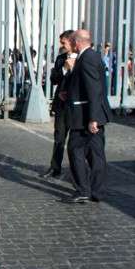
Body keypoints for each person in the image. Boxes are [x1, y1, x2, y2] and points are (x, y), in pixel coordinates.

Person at [65, 30, 111, 203]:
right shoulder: (92, 56)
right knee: (95, 153)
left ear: (77, 42)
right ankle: (97, 191)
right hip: (91, 114)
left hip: (85, 116)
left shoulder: (87, 58)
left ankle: (83, 189)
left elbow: (94, 89)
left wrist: (93, 118)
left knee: (75, 150)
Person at [42, 30, 74, 179]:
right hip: (61, 105)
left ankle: (78, 171)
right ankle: (55, 168)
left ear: (72, 41)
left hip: (75, 107)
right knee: (59, 138)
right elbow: (53, 79)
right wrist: (64, 69)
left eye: (63, 42)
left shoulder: (82, 58)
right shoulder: (61, 58)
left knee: (77, 142)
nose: (62, 45)